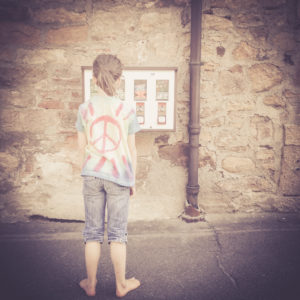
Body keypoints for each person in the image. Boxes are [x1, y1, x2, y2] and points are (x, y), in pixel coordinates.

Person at [75, 54, 141, 297]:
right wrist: (132, 180)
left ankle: (90, 284)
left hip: (92, 174)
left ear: (93, 78)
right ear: (120, 80)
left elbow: (81, 147)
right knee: (117, 234)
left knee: (92, 232)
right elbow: (133, 150)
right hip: (119, 176)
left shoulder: (84, 109)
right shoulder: (127, 109)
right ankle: (121, 285)